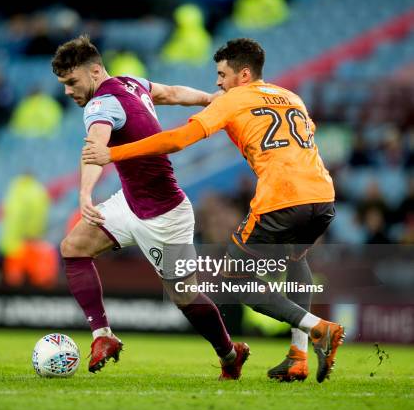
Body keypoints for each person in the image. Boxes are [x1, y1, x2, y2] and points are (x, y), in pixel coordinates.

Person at [82, 38, 345, 383]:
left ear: (244, 74)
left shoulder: (237, 98)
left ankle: (318, 328)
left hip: (283, 196)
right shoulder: (291, 96)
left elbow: (178, 140)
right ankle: (298, 357)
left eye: (222, 74)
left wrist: (113, 154)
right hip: (323, 195)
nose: (218, 83)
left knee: (234, 280)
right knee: (297, 259)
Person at [52, 35, 248, 379]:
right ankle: (103, 335)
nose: (68, 91)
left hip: (164, 216)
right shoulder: (130, 82)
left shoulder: (100, 105)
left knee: (185, 298)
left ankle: (230, 354)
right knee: (73, 248)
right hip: (129, 203)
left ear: (95, 71)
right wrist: (209, 99)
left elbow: (95, 147)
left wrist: (85, 195)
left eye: (72, 82)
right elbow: (171, 93)